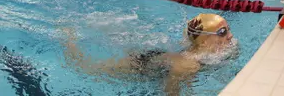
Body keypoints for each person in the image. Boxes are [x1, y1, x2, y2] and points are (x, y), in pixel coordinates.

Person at [62, 14, 235, 96]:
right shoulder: (189, 65)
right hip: (142, 65)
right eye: (222, 32)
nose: (230, 36)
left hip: (160, 59)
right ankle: (69, 39)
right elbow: (170, 92)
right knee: (85, 67)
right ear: (204, 41)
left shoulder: (201, 56)